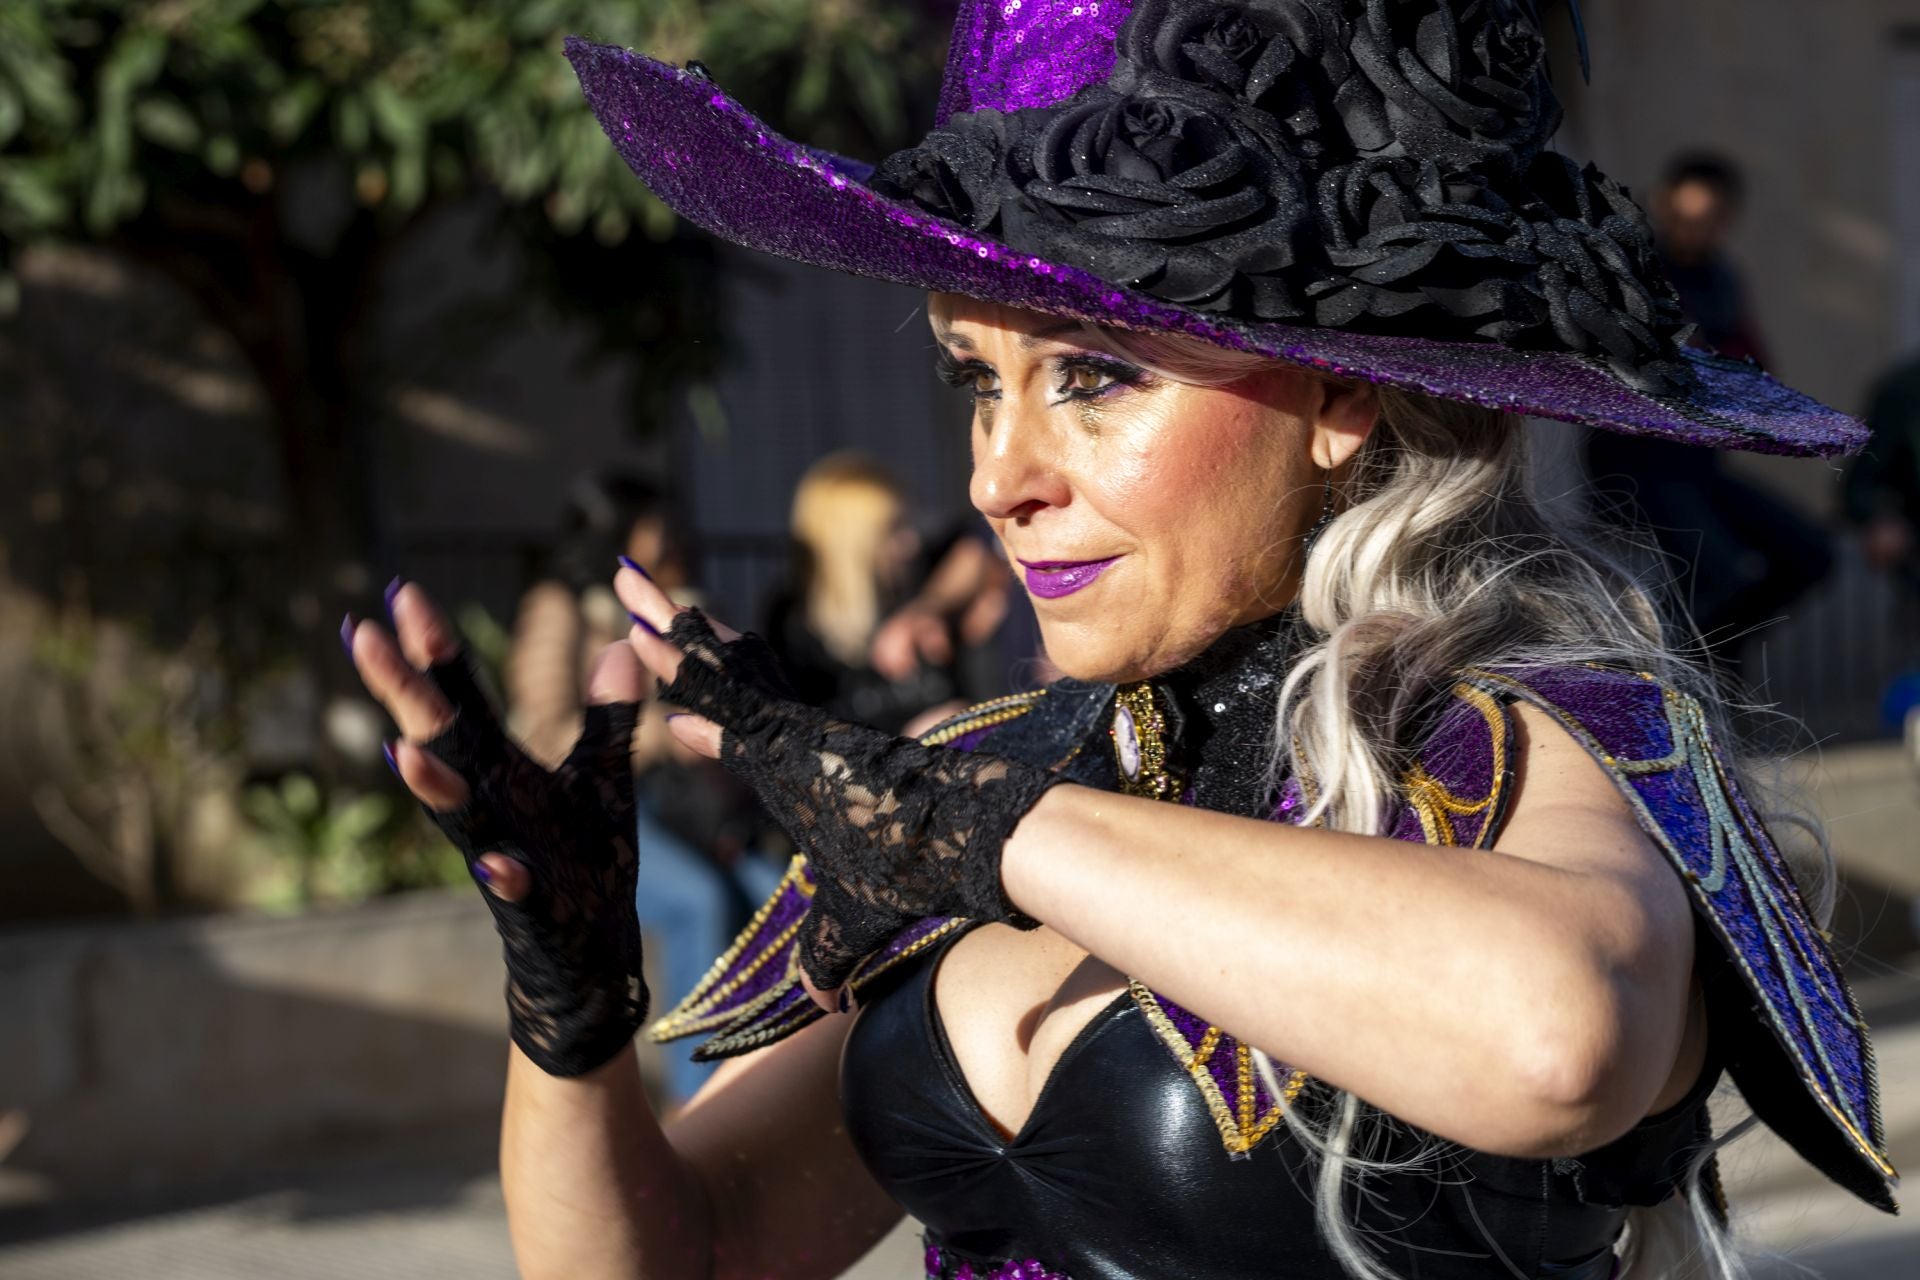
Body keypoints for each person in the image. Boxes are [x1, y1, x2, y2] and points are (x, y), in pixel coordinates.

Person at [345, 4, 1896, 1278]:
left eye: (1093, 376)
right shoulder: (989, 785)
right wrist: (570, 1011)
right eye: (977, 381)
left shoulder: (1528, 737)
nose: (996, 476)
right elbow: (683, 1257)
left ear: (1339, 396)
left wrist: (983, 831)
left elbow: (1557, 1037)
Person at [505, 473, 779, 1104]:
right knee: (698, 902)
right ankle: (699, 1098)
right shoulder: (560, 605)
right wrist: (654, 727)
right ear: (619, 532)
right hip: (592, 813)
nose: (673, 536)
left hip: (686, 809)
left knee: (773, 897)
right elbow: (543, 732)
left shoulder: (678, 601)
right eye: (657, 521)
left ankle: (767, 1082)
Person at [1584, 152, 1832, 682]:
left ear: (1727, 219)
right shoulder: (1634, 270)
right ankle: (1669, 683)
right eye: (1682, 217)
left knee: (1812, 554)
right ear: (1661, 205)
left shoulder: (1722, 279)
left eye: (1707, 220)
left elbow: (1752, 367)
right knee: (1718, 574)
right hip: (1633, 463)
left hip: (1698, 465)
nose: (1692, 231)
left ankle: (1714, 662)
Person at [765, 452, 1011, 736]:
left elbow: (983, 537)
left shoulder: (924, 573)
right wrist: (912, 741)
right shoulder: (792, 619)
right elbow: (801, 737)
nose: (912, 542)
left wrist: (926, 609)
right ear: (851, 542)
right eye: (893, 529)